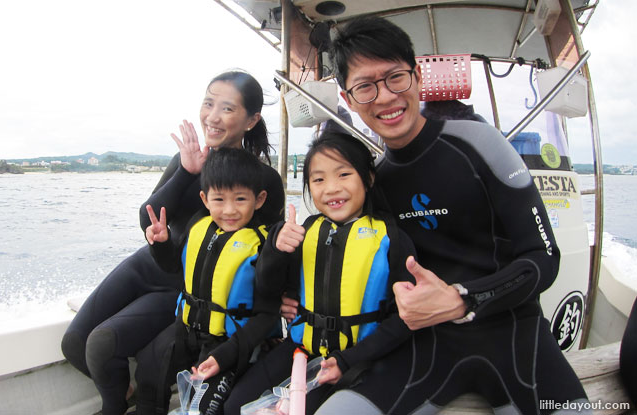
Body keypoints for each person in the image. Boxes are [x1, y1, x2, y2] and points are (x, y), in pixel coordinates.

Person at [311, 16, 590, 415]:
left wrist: (464, 299)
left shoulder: (479, 144)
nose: (386, 97)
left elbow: (544, 258)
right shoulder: (375, 181)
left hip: (516, 334)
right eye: (365, 86)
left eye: (395, 78)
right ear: (349, 98)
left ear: (418, 77)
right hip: (426, 345)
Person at [60, 70, 284, 415]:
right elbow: (147, 218)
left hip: (183, 283)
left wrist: (278, 298)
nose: (212, 116)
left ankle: (114, 407)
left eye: (227, 108)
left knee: (102, 345)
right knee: (74, 344)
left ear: (252, 119)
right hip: (148, 263)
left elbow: (267, 252)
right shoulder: (187, 160)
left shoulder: (260, 181)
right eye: (208, 103)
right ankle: (125, 395)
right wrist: (186, 171)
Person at [223, 132, 417, 415]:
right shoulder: (302, 233)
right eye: (318, 179)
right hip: (301, 347)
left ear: (368, 178)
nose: (331, 189)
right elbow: (268, 289)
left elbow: (403, 320)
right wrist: (276, 251)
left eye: (343, 174)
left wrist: (349, 360)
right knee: (233, 406)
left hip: (361, 358)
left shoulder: (393, 240)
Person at [143, 147, 279, 415]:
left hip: (230, 343)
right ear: (205, 199)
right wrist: (161, 243)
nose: (229, 210)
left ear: (259, 199)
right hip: (185, 332)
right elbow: (173, 266)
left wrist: (225, 356)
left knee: (205, 409)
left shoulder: (264, 244)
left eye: (240, 199)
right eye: (219, 199)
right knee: (149, 371)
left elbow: (267, 316)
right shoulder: (198, 225)